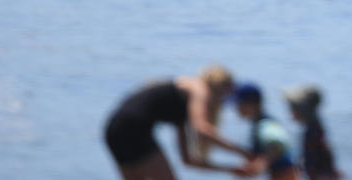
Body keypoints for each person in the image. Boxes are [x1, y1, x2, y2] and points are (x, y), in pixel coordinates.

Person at [103, 65, 252, 179]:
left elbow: (187, 160)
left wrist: (230, 169)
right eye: (225, 96)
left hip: (114, 130)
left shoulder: (181, 108)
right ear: (220, 87)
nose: (222, 103)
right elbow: (201, 129)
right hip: (134, 127)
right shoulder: (199, 88)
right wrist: (243, 152)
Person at [233, 84, 298, 180]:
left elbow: (277, 144)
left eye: (239, 103)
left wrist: (259, 165)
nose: (236, 108)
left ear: (250, 104)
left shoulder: (265, 124)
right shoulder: (259, 123)